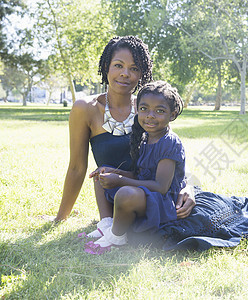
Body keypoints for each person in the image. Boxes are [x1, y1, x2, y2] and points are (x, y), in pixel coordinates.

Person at [54, 36, 195, 227]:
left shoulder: (148, 108)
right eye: (118, 65)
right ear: (106, 67)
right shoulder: (85, 108)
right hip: (117, 198)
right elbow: (77, 168)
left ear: (142, 74)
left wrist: (189, 188)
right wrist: (60, 218)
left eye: (134, 68)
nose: (125, 73)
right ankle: (106, 225)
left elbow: (171, 153)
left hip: (152, 195)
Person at [84, 81, 186, 254]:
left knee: (125, 192)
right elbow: (139, 174)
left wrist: (121, 181)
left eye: (160, 111)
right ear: (137, 109)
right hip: (147, 193)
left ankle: (117, 237)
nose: (150, 115)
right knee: (102, 172)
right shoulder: (145, 137)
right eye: (144, 109)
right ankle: (107, 224)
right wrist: (115, 173)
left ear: (172, 114)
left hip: (163, 202)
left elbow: (161, 187)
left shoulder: (169, 142)